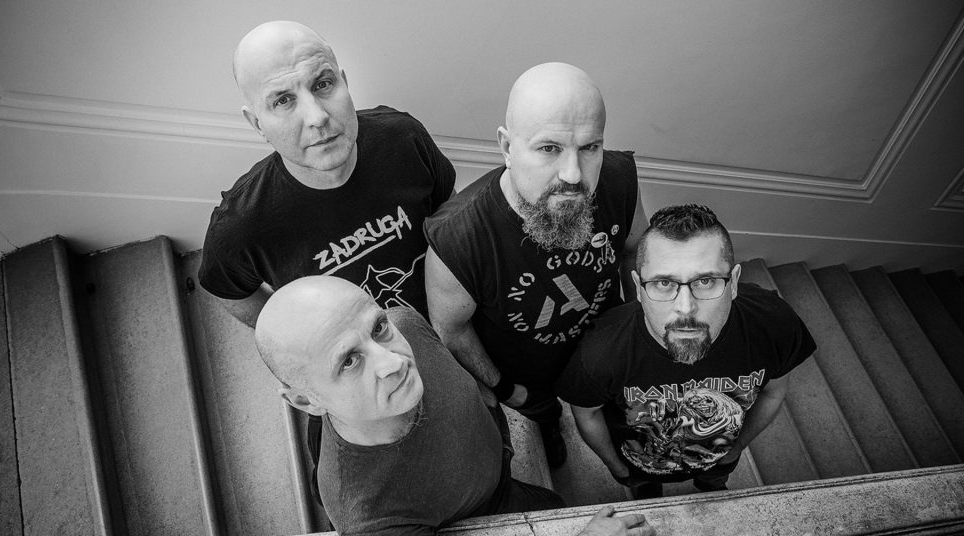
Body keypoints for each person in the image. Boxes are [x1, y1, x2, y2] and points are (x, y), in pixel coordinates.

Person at [254, 276, 655, 536]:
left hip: (495, 470)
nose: (394, 362)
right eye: (348, 361)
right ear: (306, 400)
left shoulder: (404, 323)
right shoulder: (371, 518)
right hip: (484, 510)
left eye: (377, 328)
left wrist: (489, 400)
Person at [424, 63, 647, 468]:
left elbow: (635, 252)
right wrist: (508, 390)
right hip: (528, 377)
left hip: (607, 352)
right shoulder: (457, 240)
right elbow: (451, 330)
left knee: (623, 420)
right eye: (549, 148)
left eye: (590, 147)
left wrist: (640, 332)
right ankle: (548, 426)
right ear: (507, 147)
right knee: (544, 415)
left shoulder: (618, 179)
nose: (573, 174)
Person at [199, 20, 455, 327]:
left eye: (323, 84)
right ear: (258, 124)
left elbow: (453, 217)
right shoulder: (240, 224)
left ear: (344, 82)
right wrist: (302, 335)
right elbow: (231, 293)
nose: (317, 117)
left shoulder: (404, 137)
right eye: (283, 100)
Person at [556, 204, 817, 498]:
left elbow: (774, 392)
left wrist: (737, 449)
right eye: (663, 283)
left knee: (714, 488)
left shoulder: (774, 326)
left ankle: (710, 487)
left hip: (719, 460)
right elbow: (587, 415)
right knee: (646, 494)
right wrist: (617, 467)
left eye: (705, 281)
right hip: (640, 466)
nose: (685, 308)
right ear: (638, 288)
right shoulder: (599, 353)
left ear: (733, 283)